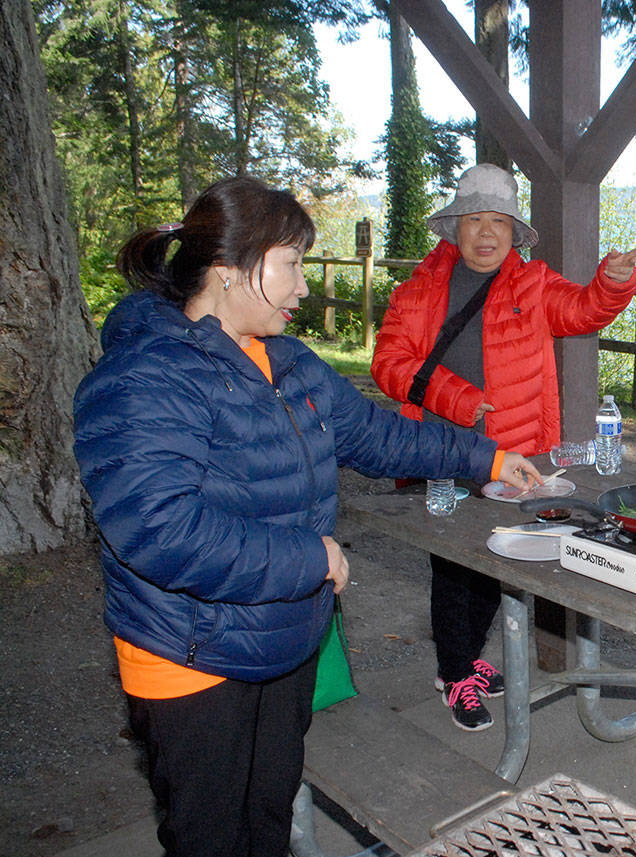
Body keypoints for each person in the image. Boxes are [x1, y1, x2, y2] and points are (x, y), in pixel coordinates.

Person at [72, 176, 542, 857]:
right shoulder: (144, 376)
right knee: (208, 835)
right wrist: (312, 559)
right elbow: (157, 530)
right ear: (229, 270)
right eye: (291, 265)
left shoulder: (288, 362)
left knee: (269, 816)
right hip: (191, 657)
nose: (303, 288)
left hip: (281, 635)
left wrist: (489, 458)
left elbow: (379, 437)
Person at [371, 163, 636, 731]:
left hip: (513, 453)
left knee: (495, 559)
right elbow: (389, 364)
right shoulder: (419, 290)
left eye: (499, 220)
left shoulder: (533, 283)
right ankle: (454, 675)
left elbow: (585, 310)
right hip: (442, 453)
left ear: (513, 231)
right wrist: (459, 401)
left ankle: (468, 659)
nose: (487, 233)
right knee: (452, 567)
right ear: (455, 228)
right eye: (476, 219)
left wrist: (614, 279)